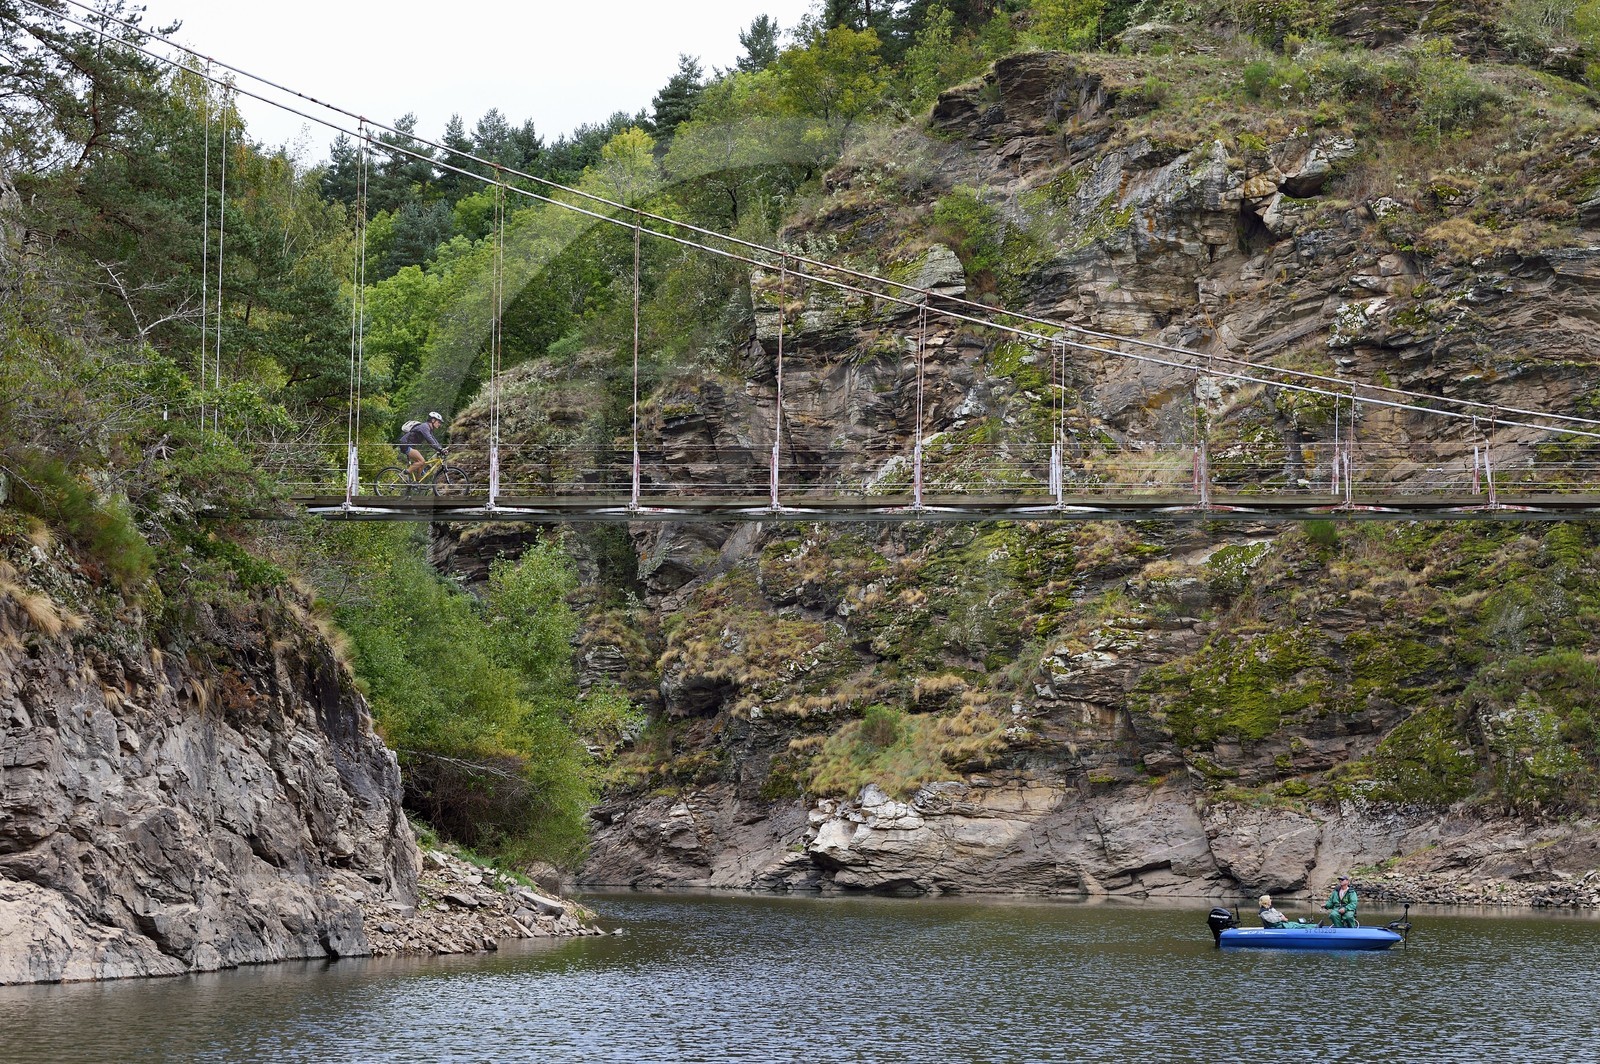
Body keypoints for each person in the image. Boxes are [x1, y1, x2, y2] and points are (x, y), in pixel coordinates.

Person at [398, 411, 447, 480]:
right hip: (405, 445)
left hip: (409, 445)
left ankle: (417, 482)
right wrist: (440, 449)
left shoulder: (429, 429)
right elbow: (430, 440)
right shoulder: (425, 427)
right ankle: (404, 474)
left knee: (422, 464)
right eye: (439, 422)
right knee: (421, 461)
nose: (439, 424)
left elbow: (434, 440)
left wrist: (441, 449)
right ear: (433, 420)